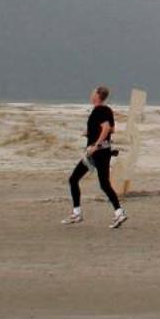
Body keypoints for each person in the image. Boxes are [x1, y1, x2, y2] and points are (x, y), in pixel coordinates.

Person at [63, 85, 126, 229]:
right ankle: (118, 212)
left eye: (93, 92)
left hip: (97, 152)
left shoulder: (99, 110)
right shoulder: (107, 110)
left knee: (74, 179)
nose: (91, 94)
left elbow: (105, 128)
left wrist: (96, 144)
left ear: (97, 95)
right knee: (103, 184)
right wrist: (89, 132)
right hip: (103, 151)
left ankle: (77, 213)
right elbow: (111, 128)